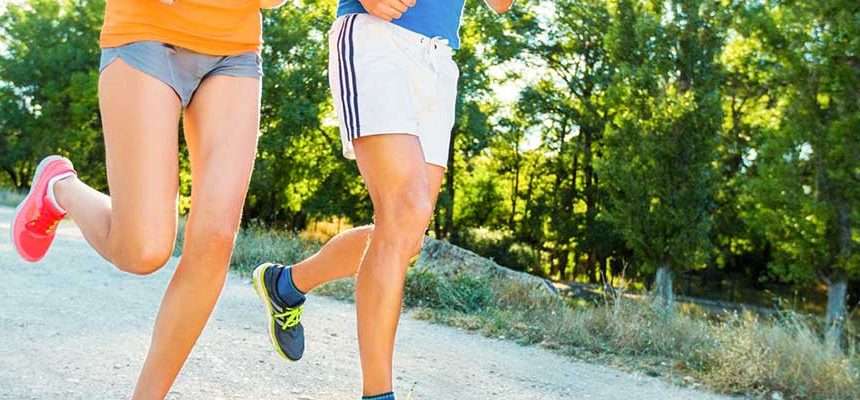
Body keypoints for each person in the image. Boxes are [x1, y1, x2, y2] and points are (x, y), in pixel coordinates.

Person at [10, 0, 286, 398]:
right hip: (147, 36)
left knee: (216, 238)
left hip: (235, 52)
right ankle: (61, 188)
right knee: (142, 252)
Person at [251, 0, 513, 399]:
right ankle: (378, 394)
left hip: (438, 58)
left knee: (407, 237)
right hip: (375, 35)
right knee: (405, 211)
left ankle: (286, 284)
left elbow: (502, 5)